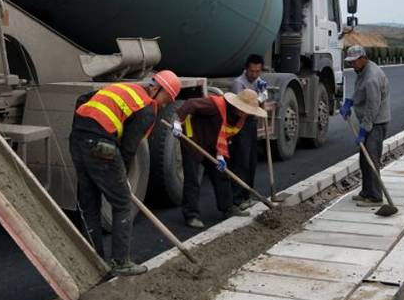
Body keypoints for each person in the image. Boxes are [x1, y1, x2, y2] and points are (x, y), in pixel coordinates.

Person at [70, 70, 181, 275]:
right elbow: (129, 149)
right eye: (168, 97)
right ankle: (121, 262)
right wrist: (124, 176)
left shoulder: (126, 89)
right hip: (100, 146)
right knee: (122, 203)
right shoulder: (147, 108)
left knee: (89, 202)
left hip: (77, 139)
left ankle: (94, 260)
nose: (167, 103)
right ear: (158, 89)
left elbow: (83, 99)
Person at [173, 87, 267, 228]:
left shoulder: (240, 119)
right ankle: (191, 215)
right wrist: (177, 122)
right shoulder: (215, 105)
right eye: (245, 110)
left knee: (221, 174)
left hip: (212, 144)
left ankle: (227, 208)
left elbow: (224, 135)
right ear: (237, 105)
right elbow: (190, 103)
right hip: (194, 139)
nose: (246, 113)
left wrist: (220, 155)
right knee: (193, 178)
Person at [339, 45, 391, 204]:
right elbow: (360, 91)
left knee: (371, 159)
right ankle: (366, 191)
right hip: (370, 122)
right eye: (350, 62)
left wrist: (364, 129)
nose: (351, 65)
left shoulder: (372, 77)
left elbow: (373, 107)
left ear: (363, 58)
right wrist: (350, 101)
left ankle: (375, 196)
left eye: (354, 61)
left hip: (376, 123)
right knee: (364, 159)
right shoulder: (362, 71)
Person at [229, 54, 269, 209]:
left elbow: (263, 99)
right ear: (246, 69)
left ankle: (248, 194)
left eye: (258, 71)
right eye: (252, 71)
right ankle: (237, 199)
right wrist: (259, 98)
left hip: (251, 124)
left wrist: (263, 94)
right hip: (240, 125)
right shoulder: (239, 84)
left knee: (252, 162)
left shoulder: (259, 82)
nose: (254, 75)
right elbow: (241, 109)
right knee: (241, 162)